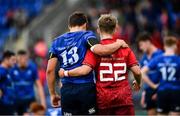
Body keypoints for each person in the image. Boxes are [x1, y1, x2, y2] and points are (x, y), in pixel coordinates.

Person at [46, 12, 127, 115]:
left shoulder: (56, 42)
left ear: (69, 26)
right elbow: (100, 50)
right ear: (85, 24)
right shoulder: (87, 35)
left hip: (67, 90)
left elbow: (49, 70)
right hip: (85, 88)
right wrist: (118, 43)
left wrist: (53, 94)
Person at [141, 36, 180, 115]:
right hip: (176, 91)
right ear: (175, 46)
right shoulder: (178, 59)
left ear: (164, 46)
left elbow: (142, 72)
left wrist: (153, 86)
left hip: (162, 91)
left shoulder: (158, 59)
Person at [10, 50, 46, 115]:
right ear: (18, 59)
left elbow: (39, 85)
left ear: (27, 58)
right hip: (17, 100)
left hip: (30, 99)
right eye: (21, 58)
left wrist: (43, 102)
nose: (23, 60)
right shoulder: (12, 69)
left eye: (25, 59)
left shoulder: (32, 67)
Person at [137, 32, 163, 115]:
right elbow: (141, 74)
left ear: (148, 42)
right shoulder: (144, 57)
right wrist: (144, 92)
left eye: (141, 45)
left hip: (160, 89)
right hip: (149, 91)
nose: (140, 48)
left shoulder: (160, 55)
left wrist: (156, 89)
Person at [0, 51, 16, 115]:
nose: (14, 62)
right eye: (13, 60)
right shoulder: (1, 71)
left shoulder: (7, 71)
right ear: (6, 59)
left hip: (9, 105)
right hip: (3, 106)